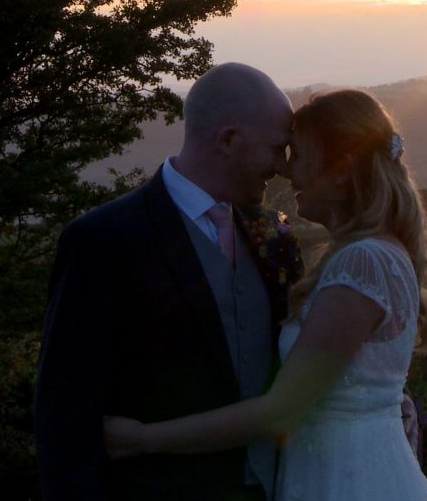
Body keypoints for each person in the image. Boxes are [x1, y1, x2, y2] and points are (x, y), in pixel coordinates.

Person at [104, 89, 427, 500]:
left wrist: (142, 438)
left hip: (347, 479)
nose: (285, 170)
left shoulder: (364, 262)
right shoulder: (367, 255)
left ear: (340, 169)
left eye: (297, 155)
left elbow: (280, 410)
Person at [34, 62, 301, 501]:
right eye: (276, 149)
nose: (284, 168)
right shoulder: (103, 239)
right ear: (228, 140)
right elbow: (65, 409)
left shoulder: (274, 234)